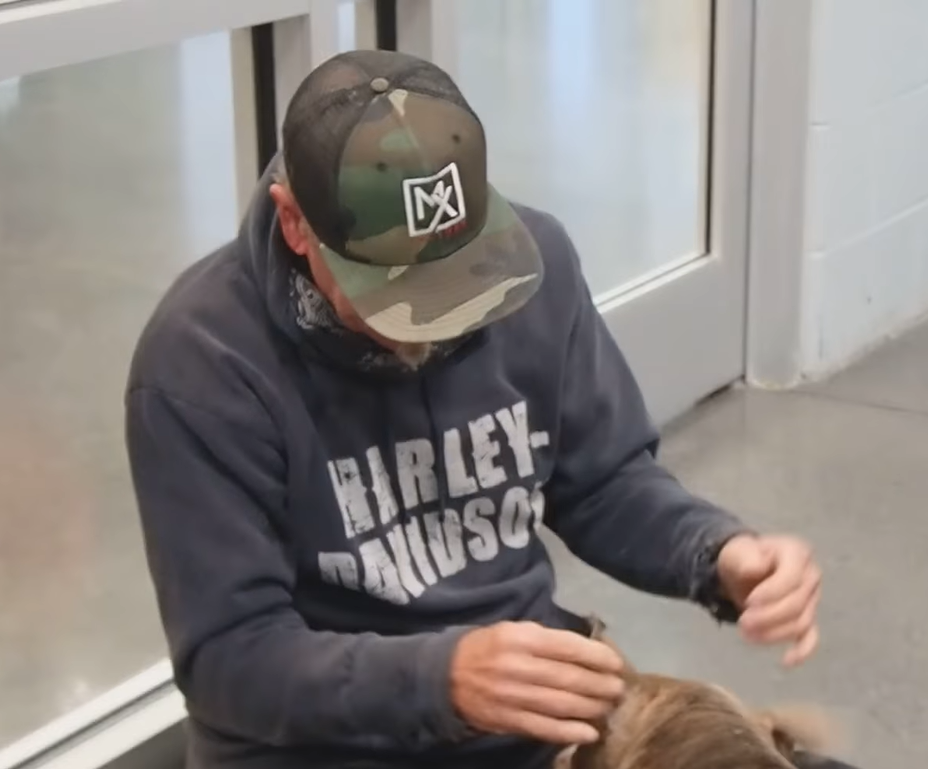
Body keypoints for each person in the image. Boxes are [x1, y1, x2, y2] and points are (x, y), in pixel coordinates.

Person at [125, 50, 839, 769]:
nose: (433, 325)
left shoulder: (531, 266)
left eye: (453, 277)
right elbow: (230, 658)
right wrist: (439, 682)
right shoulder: (204, 361)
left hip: (524, 716)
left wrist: (717, 553)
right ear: (295, 223)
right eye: (394, 290)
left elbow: (602, 480)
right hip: (324, 746)